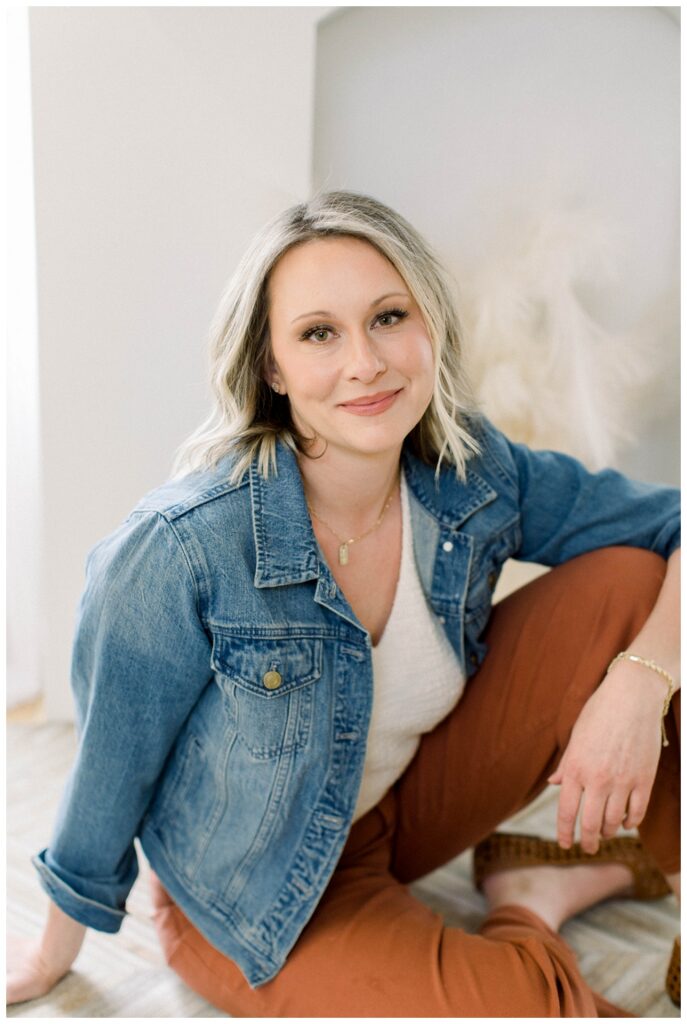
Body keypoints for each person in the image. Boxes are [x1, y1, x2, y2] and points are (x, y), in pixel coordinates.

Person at [7, 191, 680, 1017]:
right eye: (318, 333)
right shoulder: (179, 547)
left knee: (634, 584)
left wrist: (640, 681)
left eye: (388, 317)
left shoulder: (470, 471)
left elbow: (673, 525)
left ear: (429, 325)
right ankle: (530, 900)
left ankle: (643, 881)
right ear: (272, 367)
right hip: (250, 902)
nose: (365, 362)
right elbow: (111, 763)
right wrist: (54, 953)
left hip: (403, 811)